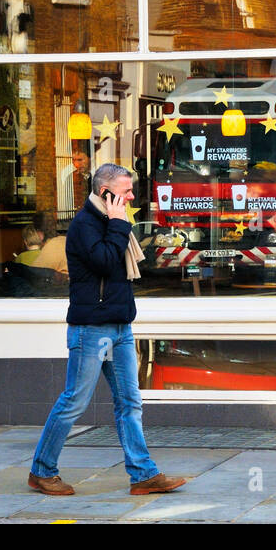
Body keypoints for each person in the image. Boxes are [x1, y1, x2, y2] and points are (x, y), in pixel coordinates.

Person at [29, 163, 185, 497]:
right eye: (126, 191)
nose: (131, 196)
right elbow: (104, 261)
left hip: (119, 326)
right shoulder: (86, 224)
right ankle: (42, 471)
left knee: (130, 401)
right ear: (106, 193)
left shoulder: (114, 224)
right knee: (74, 401)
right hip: (91, 329)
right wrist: (118, 225)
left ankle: (143, 474)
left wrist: (118, 225)